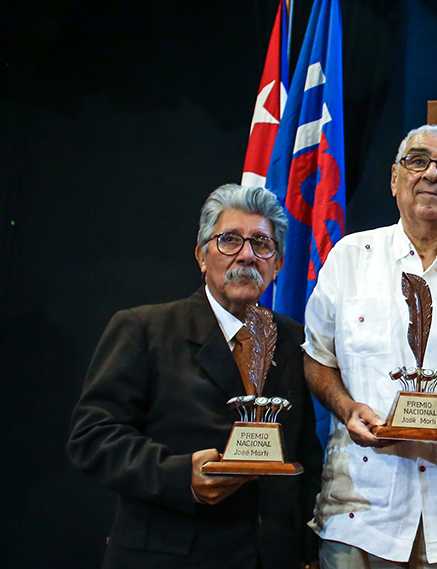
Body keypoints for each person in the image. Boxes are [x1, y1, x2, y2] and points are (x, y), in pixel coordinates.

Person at [67, 184, 323, 569]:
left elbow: (305, 454)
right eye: (229, 240)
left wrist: (307, 551)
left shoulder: (293, 340)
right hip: (171, 554)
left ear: (278, 264)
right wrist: (179, 476)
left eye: (261, 244)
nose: (247, 255)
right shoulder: (144, 329)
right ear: (202, 255)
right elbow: (92, 437)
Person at [302, 125, 437, 569]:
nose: (432, 174)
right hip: (361, 512)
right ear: (394, 178)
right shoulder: (349, 257)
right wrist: (345, 407)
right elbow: (318, 359)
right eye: (417, 161)